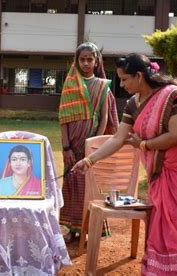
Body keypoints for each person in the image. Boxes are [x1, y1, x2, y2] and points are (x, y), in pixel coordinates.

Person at [71, 53, 177, 275]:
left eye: (125, 79)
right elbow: (119, 138)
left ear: (139, 76)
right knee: (166, 225)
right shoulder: (132, 104)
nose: (122, 84)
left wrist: (145, 145)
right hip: (161, 174)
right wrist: (89, 160)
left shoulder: (171, 96)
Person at [58, 42, 119, 241]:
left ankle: (90, 228)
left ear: (96, 62)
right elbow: (64, 119)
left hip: (91, 144)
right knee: (71, 183)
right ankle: (71, 229)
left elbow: (104, 118)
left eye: (89, 59)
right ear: (76, 62)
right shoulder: (69, 86)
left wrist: (94, 145)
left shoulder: (103, 86)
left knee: (89, 186)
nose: (85, 63)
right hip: (72, 144)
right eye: (82, 59)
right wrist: (66, 146)